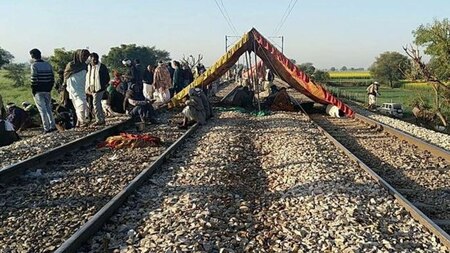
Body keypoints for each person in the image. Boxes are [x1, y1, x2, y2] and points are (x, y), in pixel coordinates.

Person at [30, 48, 57, 133]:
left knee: (42, 110)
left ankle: (46, 128)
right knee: (49, 108)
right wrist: (49, 88)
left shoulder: (34, 65)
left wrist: (33, 90)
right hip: (47, 90)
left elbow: (34, 79)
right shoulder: (48, 65)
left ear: (33, 56)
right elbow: (52, 78)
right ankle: (52, 126)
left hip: (38, 90)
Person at [64, 49, 90, 127]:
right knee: (80, 103)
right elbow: (66, 75)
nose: (85, 58)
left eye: (86, 56)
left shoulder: (85, 65)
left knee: (82, 103)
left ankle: (81, 121)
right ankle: (82, 121)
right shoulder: (71, 65)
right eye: (84, 56)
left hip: (82, 86)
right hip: (73, 87)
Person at [85, 52, 110, 126]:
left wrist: (103, 85)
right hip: (92, 88)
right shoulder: (89, 67)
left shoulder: (102, 67)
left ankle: (99, 120)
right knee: (97, 104)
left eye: (94, 59)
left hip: (99, 88)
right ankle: (101, 119)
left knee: (95, 103)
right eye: (92, 59)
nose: (93, 61)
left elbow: (107, 78)